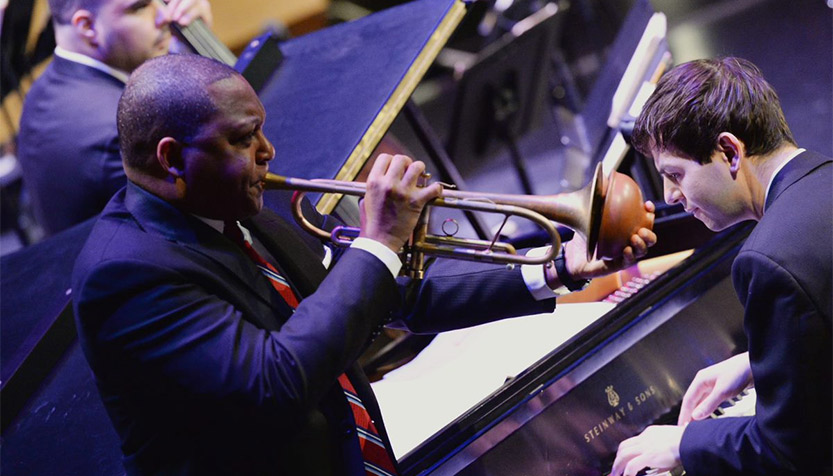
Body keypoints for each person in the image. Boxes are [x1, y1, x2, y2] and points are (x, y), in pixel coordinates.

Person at [72, 54, 656, 475]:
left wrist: (555, 270)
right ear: (172, 159)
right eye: (245, 139)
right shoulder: (125, 274)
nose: (269, 153)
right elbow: (276, 382)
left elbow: (391, 300)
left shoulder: (230, 206)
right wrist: (379, 242)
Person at [611, 57, 832, 476]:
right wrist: (759, 361)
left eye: (675, 174)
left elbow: (791, 455)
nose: (670, 195)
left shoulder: (768, 259)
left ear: (730, 151)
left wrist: (684, 443)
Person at [16, 0, 211, 236]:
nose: (165, 16)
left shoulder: (45, 91)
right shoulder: (125, 132)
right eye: (139, 7)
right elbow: (211, 219)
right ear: (87, 26)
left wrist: (189, 43)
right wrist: (205, 55)